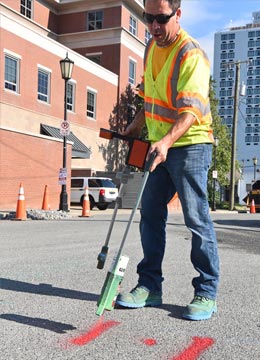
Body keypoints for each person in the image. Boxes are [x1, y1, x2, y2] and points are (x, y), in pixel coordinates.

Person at [116, 0, 220, 321]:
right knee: (149, 212)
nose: (155, 26)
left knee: (195, 217)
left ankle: (206, 290)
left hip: (190, 144)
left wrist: (165, 141)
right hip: (158, 143)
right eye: (149, 18)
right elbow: (149, 95)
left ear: (178, 14)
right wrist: (133, 128)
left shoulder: (192, 54)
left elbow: (190, 111)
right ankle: (150, 285)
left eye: (161, 18)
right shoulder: (151, 47)